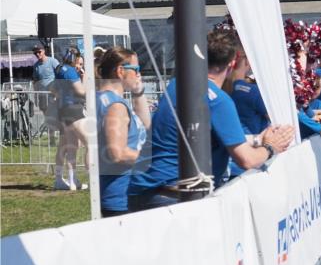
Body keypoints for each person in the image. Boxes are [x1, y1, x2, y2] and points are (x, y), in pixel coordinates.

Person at [128, 30, 294, 210]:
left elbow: (200, 136)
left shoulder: (177, 85)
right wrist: (270, 147)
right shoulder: (219, 101)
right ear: (232, 63)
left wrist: (257, 139)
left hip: (145, 191)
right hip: (175, 197)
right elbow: (247, 160)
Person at [95, 48, 151, 217]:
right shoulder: (116, 106)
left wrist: (137, 90)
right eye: (136, 69)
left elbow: (147, 124)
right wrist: (153, 158)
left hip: (115, 196)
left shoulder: (102, 98)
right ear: (120, 71)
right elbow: (118, 154)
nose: (139, 75)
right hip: (121, 198)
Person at [51, 47, 89, 191]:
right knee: (90, 143)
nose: (79, 66)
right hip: (73, 109)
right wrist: (84, 79)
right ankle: (92, 180)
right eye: (78, 62)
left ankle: (69, 181)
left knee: (68, 146)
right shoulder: (71, 71)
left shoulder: (60, 69)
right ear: (74, 59)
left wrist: (63, 96)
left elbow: (53, 89)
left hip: (63, 110)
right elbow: (81, 92)